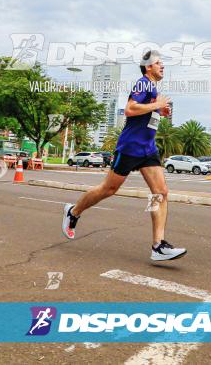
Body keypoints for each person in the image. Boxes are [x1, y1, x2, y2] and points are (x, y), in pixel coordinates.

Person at [62, 50, 186, 261]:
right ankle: (73, 212)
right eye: (159, 63)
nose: (162, 66)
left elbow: (145, 113)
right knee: (108, 189)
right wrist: (157, 105)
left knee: (161, 192)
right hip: (130, 147)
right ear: (148, 67)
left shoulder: (153, 88)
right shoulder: (143, 83)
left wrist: (159, 112)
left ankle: (158, 246)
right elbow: (129, 109)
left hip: (148, 149)